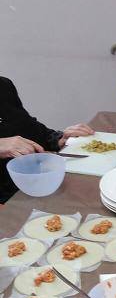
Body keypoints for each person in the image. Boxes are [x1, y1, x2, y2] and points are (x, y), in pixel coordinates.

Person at [0, 76, 94, 204]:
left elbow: (28, 127)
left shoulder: (3, 86)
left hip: (38, 184)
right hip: (10, 201)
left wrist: (58, 140)